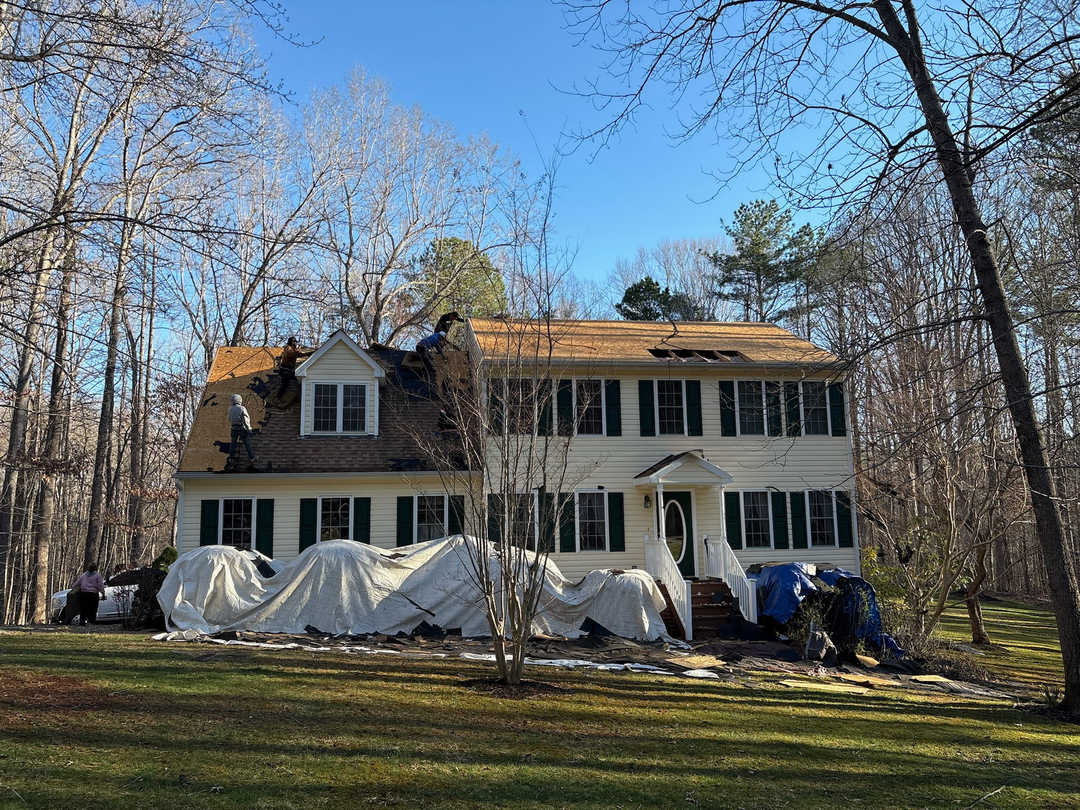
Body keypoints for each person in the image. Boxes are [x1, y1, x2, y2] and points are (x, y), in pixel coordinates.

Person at [228, 393, 258, 463]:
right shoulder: (242, 408)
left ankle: (231, 458)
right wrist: (249, 429)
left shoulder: (230, 409)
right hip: (242, 428)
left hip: (233, 428)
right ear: (239, 400)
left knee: (233, 444)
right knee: (247, 443)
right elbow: (245, 420)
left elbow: (230, 419)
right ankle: (251, 458)